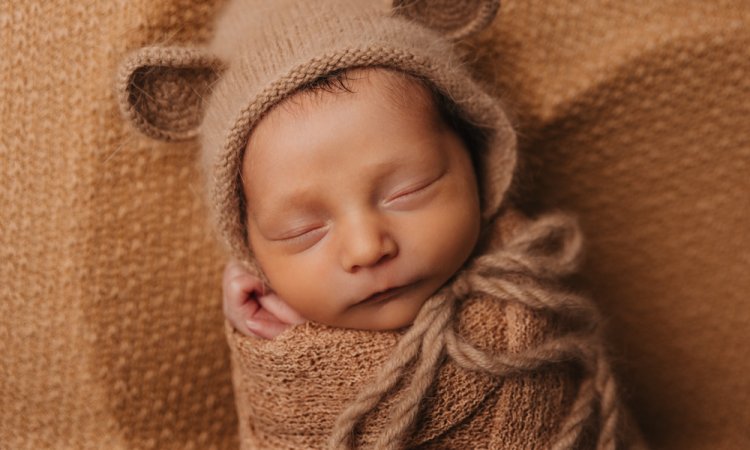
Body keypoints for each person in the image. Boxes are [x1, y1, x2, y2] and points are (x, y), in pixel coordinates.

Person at [117, 0, 644, 448]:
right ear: (251, 250)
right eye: (303, 231)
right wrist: (281, 349)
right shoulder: (274, 343)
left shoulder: (528, 284)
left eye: (406, 192)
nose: (367, 247)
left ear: (479, 164)